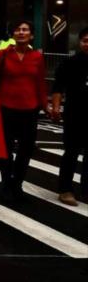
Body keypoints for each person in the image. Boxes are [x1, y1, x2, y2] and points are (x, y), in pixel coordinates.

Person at [0, 20, 47, 202]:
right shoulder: (2, 54)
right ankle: (6, 182)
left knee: (26, 150)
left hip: (30, 110)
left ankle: (18, 183)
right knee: (5, 150)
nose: (21, 32)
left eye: (25, 30)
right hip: (5, 107)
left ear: (31, 35)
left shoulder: (38, 57)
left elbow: (40, 82)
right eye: (18, 29)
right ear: (13, 34)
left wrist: (45, 105)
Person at [50, 27, 88, 206]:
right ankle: (65, 189)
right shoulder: (70, 63)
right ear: (80, 42)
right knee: (71, 152)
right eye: (85, 40)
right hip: (75, 114)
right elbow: (58, 86)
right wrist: (56, 107)